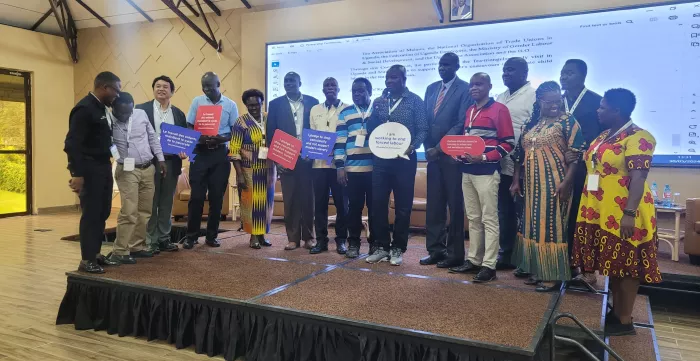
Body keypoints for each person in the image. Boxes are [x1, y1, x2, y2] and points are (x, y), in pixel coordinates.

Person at [571, 88, 661, 336]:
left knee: (628, 265)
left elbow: (639, 177)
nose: (598, 111)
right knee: (615, 263)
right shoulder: (603, 136)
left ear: (617, 111)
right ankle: (616, 310)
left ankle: (624, 319)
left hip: (624, 211)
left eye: (602, 107)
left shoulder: (639, 137)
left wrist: (629, 213)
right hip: (598, 209)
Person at [509, 81, 586, 291]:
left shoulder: (568, 121)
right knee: (532, 226)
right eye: (549, 101)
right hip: (532, 186)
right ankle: (537, 269)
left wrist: (567, 183)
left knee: (552, 227)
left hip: (556, 183)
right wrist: (516, 180)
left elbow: (576, 156)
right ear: (539, 101)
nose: (554, 105)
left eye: (557, 100)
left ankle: (553, 275)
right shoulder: (532, 123)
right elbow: (519, 155)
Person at [448, 73, 514, 283]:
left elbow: (509, 144)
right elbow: (469, 142)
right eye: (471, 85)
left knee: (489, 219)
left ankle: (489, 265)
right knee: (474, 218)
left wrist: (484, 157)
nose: (474, 88)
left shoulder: (500, 109)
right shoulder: (470, 110)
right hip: (467, 172)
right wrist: (460, 155)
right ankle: (474, 260)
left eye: (479, 84)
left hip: (487, 172)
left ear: (489, 86)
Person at [365, 65, 428, 266]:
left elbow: (423, 129)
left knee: (403, 207)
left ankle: (398, 248)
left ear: (403, 79)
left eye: (393, 78)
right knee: (378, 205)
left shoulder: (415, 101)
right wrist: (375, 111)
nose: (389, 81)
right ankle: (382, 246)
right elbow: (371, 129)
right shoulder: (379, 101)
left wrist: (413, 146)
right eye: (387, 78)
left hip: (404, 161)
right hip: (381, 161)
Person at [65, 71, 122, 274]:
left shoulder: (102, 108)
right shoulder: (84, 109)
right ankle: (86, 259)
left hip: (102, 166)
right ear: (104, 87)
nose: (118, 95)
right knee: (91, 215)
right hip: (88, 168)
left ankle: (96, 254)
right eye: (116, 90)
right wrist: (77, 174)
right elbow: (72, 144)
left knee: (102, 212)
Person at [421, 53, 471, 268]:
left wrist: (439, 148)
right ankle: (435, 250)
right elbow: (425, 120)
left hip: (451, 158)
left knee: (455, 206)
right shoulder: (431, 88)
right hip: (432, 157)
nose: (443, 68)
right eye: (440, 64)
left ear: (457, 66)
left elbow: (460, 122)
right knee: (434, 205)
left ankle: (455, 254)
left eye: (447, 65)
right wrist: (427, 148)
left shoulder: (466, 88)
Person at [106, 92, 167, 264]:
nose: (125, 116)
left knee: (145, 211)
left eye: (128, 112)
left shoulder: (140, 114)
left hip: (148, 167)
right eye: (121, 113)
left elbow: (153, 137)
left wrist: (161, 159)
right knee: (129, 211)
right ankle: (120, 250)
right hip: (127, 170)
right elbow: (109, 145)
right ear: (113, 108)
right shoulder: (109, 121)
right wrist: (118, 157)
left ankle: (137, 246)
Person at [560, 59, 605, 287]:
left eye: (569, 73)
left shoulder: (596, 101)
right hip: (559, 168)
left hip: (587, 171)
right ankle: (566, 265)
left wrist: (580, 151)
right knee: (562, 218)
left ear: (583, 76)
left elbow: (604, 135)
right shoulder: (556, 102)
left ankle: (588, 269)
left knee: (584, 218)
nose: (564, 76)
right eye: (562, 72)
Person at [182, 72, 237, 250]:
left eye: (210, 86)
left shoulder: (230, 105)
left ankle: (212, 236)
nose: (206, 90)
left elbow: (234, 131)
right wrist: (200, 137)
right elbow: (190, 124)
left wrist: (220, 138)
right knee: (196, 197)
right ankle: (191, 236)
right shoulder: (197, 101)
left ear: (218, 84)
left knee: (216, 197)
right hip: (200, 152)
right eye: (203, 86)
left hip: (220, 154)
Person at [266, 72, 320, 250]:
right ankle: (293, 238)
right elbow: (271, 133)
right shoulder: (275, 104)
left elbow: (318, 131)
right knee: (290, 200)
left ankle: (309, 237)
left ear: (300, 83)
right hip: (286, 158)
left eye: (292, 81)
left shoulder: (312, 102)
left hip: (307, 158)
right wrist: (277, 160)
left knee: (308, 200)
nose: (288, 84)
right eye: (286, 81)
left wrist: (314, 153)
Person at [494, 57, 537, 271]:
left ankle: (525, 258)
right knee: (504, 211)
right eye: (503, 71)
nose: (505, 74)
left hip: (526, 165)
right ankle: (506, 253)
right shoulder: (500, 97)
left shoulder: (534, 95)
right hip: (502, 164)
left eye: (510, 70)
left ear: (524, 73)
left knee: (525, 212)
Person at [137, 75, 187, 254]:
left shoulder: (179, 113)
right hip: (150, 161)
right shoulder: (141, 110)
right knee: (151, 201)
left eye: (165, 87)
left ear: (172, 92)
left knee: (166, 201)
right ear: (153, 89)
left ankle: (164, 239)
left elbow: (184, 138)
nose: (161, 89)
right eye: (157, 86)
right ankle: (151, 241)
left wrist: (184, 150)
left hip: (172, 162)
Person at [230, 89, 276, 249]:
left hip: (269, 169)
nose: (254, 108)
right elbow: (234, 150)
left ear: (262, 103)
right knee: (251, 204)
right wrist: (239, 174)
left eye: (257, 104)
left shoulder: (270, 118)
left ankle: (262, 235)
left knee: (266, 203)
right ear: (246, 105)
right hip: (249, 170)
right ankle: (253, 236)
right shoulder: (240, 122)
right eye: (250, 105)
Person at [335, 78, 375, 259]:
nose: (357, 94)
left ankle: (376, 245)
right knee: (354, 210)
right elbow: (340, 141)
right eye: (354, 91)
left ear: (370, 92)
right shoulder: (345, 113)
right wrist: (340, 167)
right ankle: (354, 244)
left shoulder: (378, 111)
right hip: (352, 171)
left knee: (375, 210)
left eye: (361, 91)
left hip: (376, 172)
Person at [308, 77, 349, 254]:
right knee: (320, 205)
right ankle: (321, 241)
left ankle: (341, 240)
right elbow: (312, 135)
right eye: (327, 85)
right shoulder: (315, 109)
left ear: (339, 89)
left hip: (340, 167)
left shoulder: (347, 109)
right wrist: (310, 150)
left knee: (342, 204)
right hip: (318, 166)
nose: (330, 88)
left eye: (333, 85)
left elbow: (349, 137)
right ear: (323, 90)